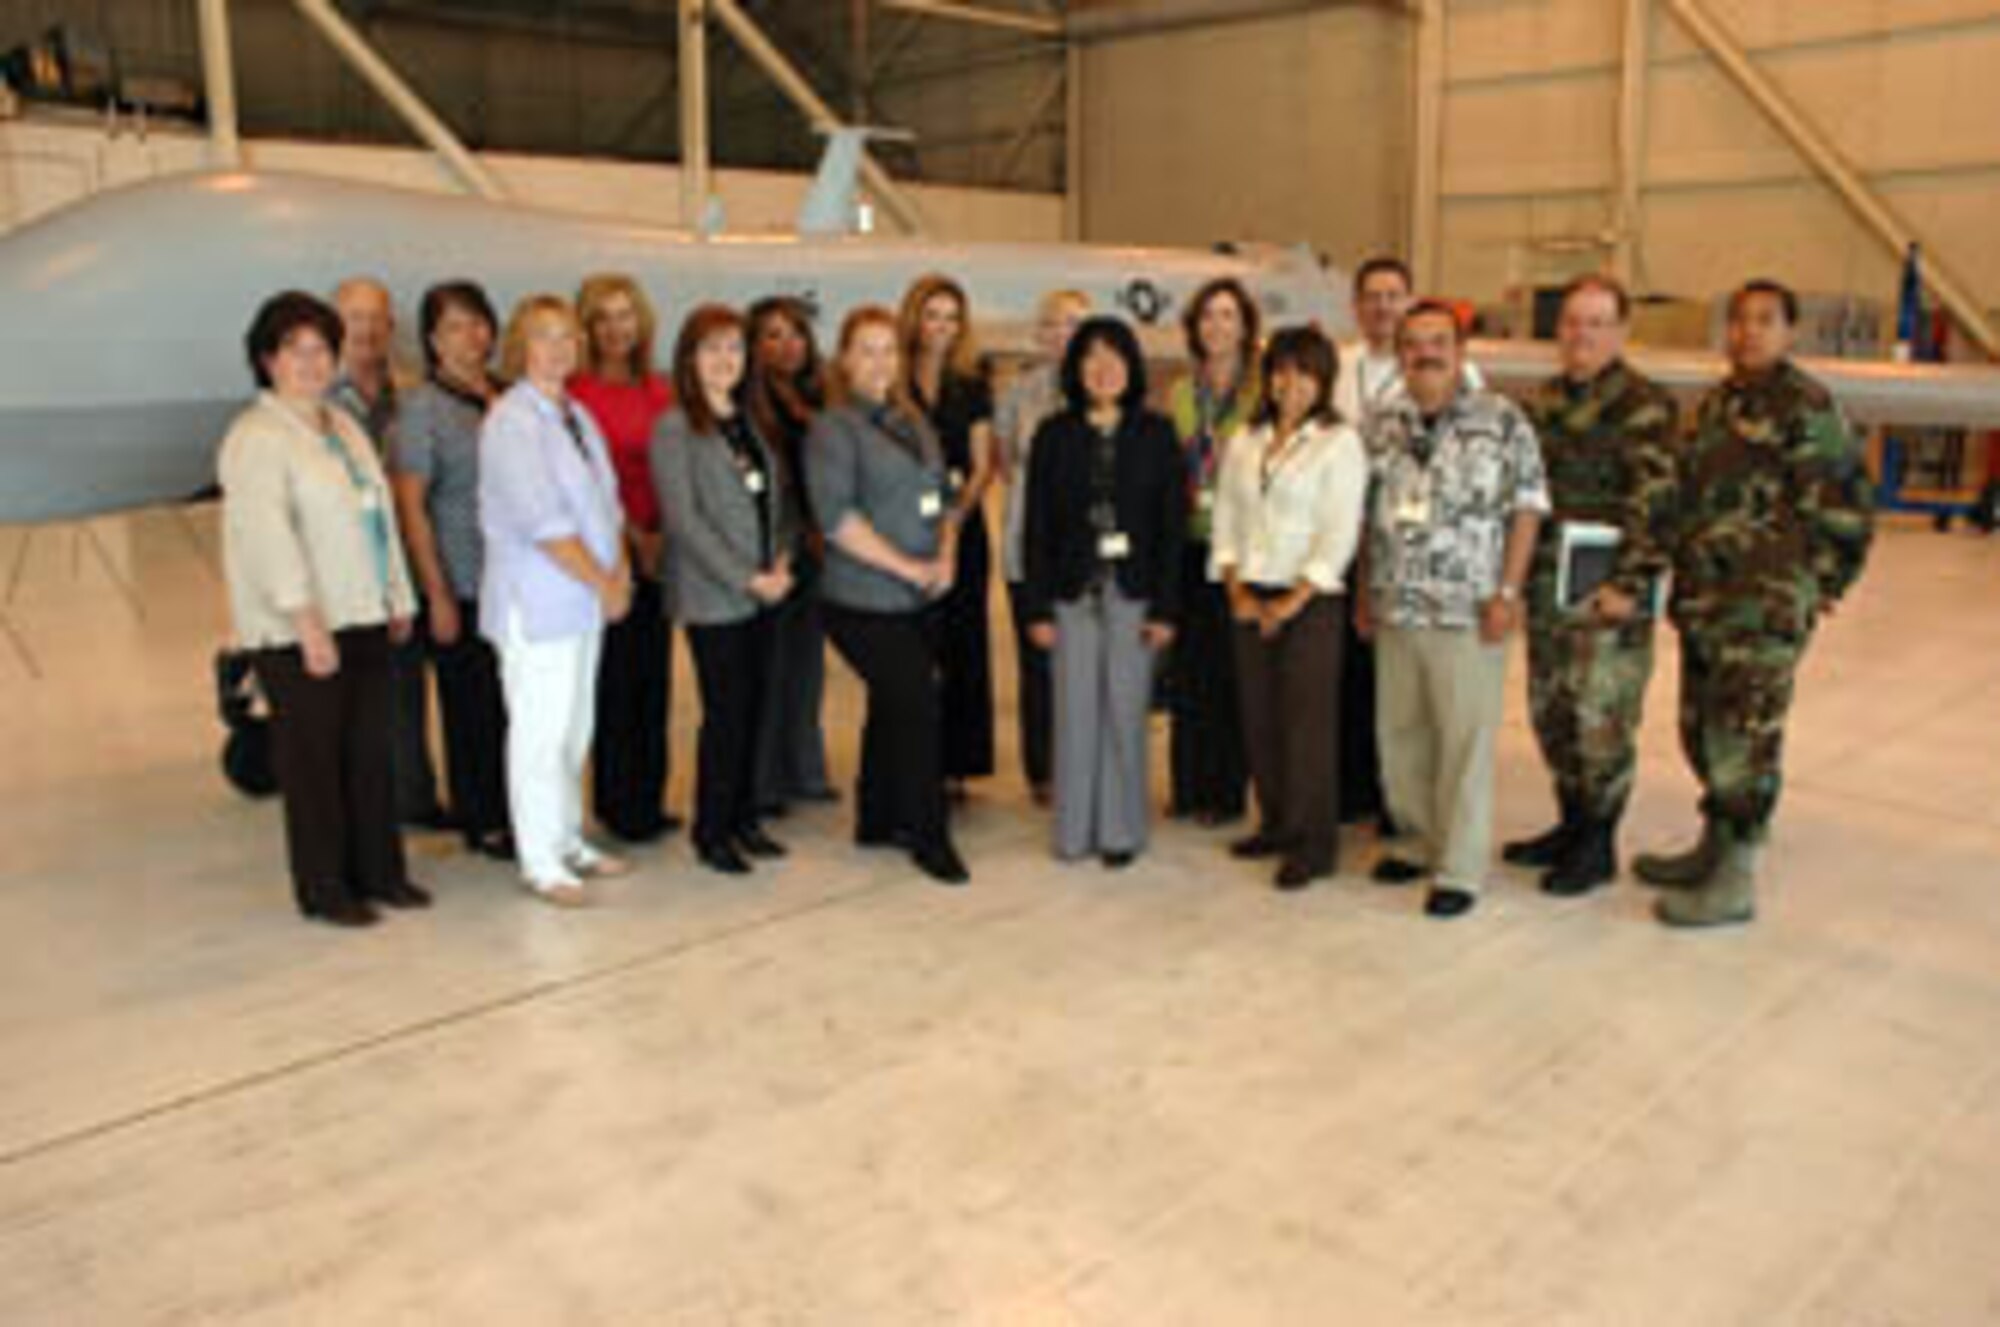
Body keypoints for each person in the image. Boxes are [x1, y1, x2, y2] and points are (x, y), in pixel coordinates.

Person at [1636, 279, 1875, 928]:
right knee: (1702, 729)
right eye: (1739, 320)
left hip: (1762, 607)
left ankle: (1736, 878)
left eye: (1764, 321)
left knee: (1746, 737)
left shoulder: (1807, 406)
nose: (1748, 332)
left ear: (1789, 331)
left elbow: (1849, 501)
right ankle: (1713, 845)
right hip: (1707, 602)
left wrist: (1822, 582)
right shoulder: (1718, 403)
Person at [219, 290, 426, 927]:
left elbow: (380, 516)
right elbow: (266, 537)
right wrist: (305, 621)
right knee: (314, 762)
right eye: (295, 350)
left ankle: (381, 873)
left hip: (362, 614)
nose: (311, 362)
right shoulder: (256, 437)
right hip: (299, 629)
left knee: (370, 752)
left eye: (321, 350)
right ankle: (326, 888)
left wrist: (398, 593)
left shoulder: (341, 426)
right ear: (267, 360)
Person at [1361, 301, 1549, 920]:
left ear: (1461, 350)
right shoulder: (1382, 423)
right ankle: (1416, 840)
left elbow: (1527, 508)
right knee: (1402, 735)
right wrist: (1366, 588)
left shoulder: (1503, 420)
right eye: (1413, 343)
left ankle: (1460, 867)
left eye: (1439, 341)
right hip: (1398, 606)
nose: (1426, 353)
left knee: (1464, 740)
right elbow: (1366, 513)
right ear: (1401, 354)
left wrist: (1509, 593)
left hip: (1469, 612)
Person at [1504, 275, 1679, 896]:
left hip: (1610, 594)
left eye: (1597, 322)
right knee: (1552, 713)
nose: (1582, 333)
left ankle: (1599, 842)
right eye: (1574, 322)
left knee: (1600, 718)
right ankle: (1571, 823)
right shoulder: (1544, 402)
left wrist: (1631, 584)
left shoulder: (1645, 405)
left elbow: (1656, 506)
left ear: (1622, 332)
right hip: (1552, 588)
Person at [806, 306, 970, 886]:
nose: (880, 362)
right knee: (918, 699)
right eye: (866, 350)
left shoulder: (911, 419)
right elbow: (836, 517)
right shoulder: (834, 428)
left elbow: (944, 493)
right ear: (845, 359)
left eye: (888, 350)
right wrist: (906, 565)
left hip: (919, 591)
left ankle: (877, 818)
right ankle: (929, 835)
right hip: (861, 599)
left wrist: (946, 554)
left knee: (891, 702)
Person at [480, 295, 635, 906]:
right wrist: (604, 581)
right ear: (521, 346)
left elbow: (609, 504)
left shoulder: (575, 413)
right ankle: (540, 859)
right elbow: (542, 522)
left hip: (583, 602)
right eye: (544, 337)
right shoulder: (511, 422)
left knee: (576, 728)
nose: (558, 348)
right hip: (538, 604)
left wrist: (617, 572)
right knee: (539, 733)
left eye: (567, 336)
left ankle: (570, 839)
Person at [1022, 317, 1185, 867]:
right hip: (1070, 593)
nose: (1103, 367)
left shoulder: (1157, 433)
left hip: (1134, 592)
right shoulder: (1053, 434)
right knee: (1073, 712)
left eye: (1114, 356)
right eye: (1091, 356)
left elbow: (1171, 527)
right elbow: (1036, 527)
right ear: (1075, 368)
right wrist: (1036, 608)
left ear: (1132, 366)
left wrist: (1166, 608)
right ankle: (1072, 833)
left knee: (1125, 709)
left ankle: (1120, 831)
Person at [1211, 327, 1368, 890]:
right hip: (1249, 591)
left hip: (1310, 599)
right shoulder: (1245, 439)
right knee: (1260, 718)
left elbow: (1339, 532)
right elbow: (1227, 514)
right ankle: (1275, 822)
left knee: (1307, 727)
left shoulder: (1338, 443)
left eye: (1304, 372)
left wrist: (1294, 600)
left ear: (1323, 380)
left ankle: (1313, 843)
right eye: (1280, 370)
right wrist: (1235, 587)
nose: (1290, 382)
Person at [654, 305, 796, 876]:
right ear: (690, 359)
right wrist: (747, 578)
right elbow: (684, 521)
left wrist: (782, 562)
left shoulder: (752, 419)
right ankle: (711, 830)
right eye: (711, 349)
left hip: (768, 588)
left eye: (734, 349)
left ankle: (743, 818)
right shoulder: (675, 426)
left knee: (756, 708)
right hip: (716, 598)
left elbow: (779, 500)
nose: (724, 360)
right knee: (725, 714)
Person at [389, 280, 514, 862]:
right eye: (456, 326)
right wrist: (435, 593)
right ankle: (483, 816)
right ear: (433, 341)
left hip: (519, 583)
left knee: (518, 705)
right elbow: (412, 505)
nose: (472, 335)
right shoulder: (423, 408)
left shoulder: (509, 394)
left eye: (479, 322)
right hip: (463, 584)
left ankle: (521, 808)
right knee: (474, 709)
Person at [331, 275, 448, 832]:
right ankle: (368, 807)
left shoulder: (410, 394)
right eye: (356, 317)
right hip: (351, 571)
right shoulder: (321, 403)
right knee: (359, 698)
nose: (368, 329)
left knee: (405, 688)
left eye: (377, 318)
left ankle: (412, 799)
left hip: (413, 563)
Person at [570, 273, 679, 844]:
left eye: (625, 316)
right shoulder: (577, 394)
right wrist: (634, 535)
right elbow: (585, 483)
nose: (616, 328)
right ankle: (617, 804)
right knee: (612, 683)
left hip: (660, 551)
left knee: (653, 681)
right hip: (607, 552)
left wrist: (662, 536)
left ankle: (649, 801)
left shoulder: (660, 391)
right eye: (604, 318)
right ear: (587, 328)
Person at [1164, 277, 1258, 826]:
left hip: (1241, 549)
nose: (1217, 326)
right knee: (1189, 674)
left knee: (1232, 674)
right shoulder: (1181, 392)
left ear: (1245, 326)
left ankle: (1225, 791)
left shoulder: (1261, 392)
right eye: (1207, 317)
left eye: (1228, 315)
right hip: (1190, 540)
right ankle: (1188, 785)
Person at [900, 274, 997, 799]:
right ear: (914, 317)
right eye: (932, 314)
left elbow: (983, 465)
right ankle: (916, 757)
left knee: (963, 643)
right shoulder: (894, 380)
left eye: (951, 317)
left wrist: (956, 520)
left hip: (962, 530)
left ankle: (957, 763)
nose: (940, 326)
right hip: (905, 532)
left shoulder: (972, 383)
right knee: (915, 643)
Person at [744, 295, 837, 815]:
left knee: (807, 666)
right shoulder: (753, 406)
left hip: (816, 548)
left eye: (795, 333)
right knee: (773, 667)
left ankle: (805, 768)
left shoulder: (819, 397)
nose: (787, 345)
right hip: (778, 548)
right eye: (773, 335)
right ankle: (766, 780)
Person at [995, 288, 1089, 806]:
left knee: (1084, 663)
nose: (1064, 334)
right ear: (1039, 335)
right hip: (1026, 550)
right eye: (1053, 324)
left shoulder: (1104, 387)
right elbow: (1006, 461)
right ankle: (1044, 772)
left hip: (1086, 556)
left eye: (1075, 323)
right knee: (1038, 666)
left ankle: (1084, 760)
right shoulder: (1020, 393)